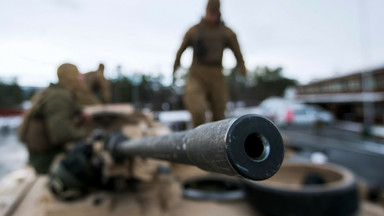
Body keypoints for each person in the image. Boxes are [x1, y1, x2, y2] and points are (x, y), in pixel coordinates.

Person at [173, 0, 247, 127]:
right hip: (197, 73)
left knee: (219, 114)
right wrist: (175, 67)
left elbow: (238, 54)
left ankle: (216, 144)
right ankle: (198, 141)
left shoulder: (226, 33)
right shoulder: (194, 31)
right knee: (197, 111)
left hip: (217, 74)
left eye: (215, 13)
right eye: (210, 13)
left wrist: (242, 69)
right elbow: (180, 50)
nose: (212, 17)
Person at [18, 63, 89, 174]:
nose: (82, 78)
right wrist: (87, 134)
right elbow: (61, 134)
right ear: (70, 77)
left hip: (42, 154)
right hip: (45, 160)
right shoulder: (59, 96)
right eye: (78, 74)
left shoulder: (54, 92)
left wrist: (78, 113)